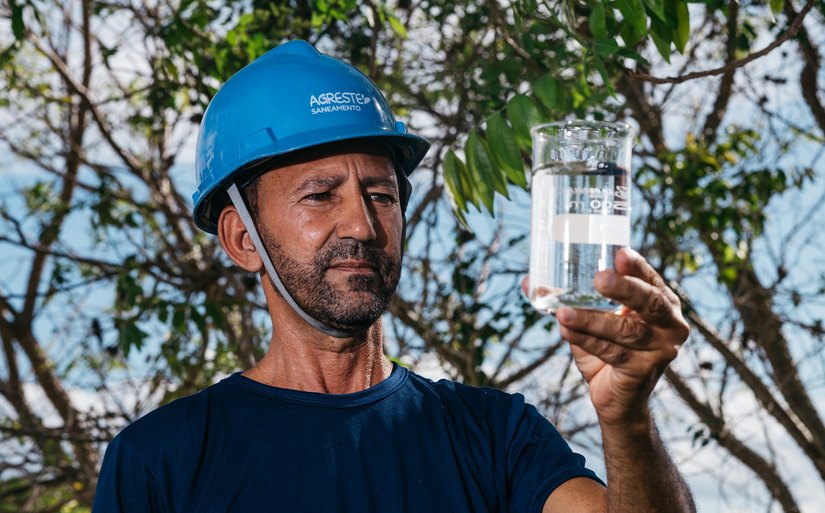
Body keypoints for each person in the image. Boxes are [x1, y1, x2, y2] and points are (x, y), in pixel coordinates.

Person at [92, 40, 696, 512]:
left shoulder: (494, 436)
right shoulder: (162, 462)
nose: (361, 223)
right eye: (321, 195)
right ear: (242, 238)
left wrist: (628, 418)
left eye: (380, 195)